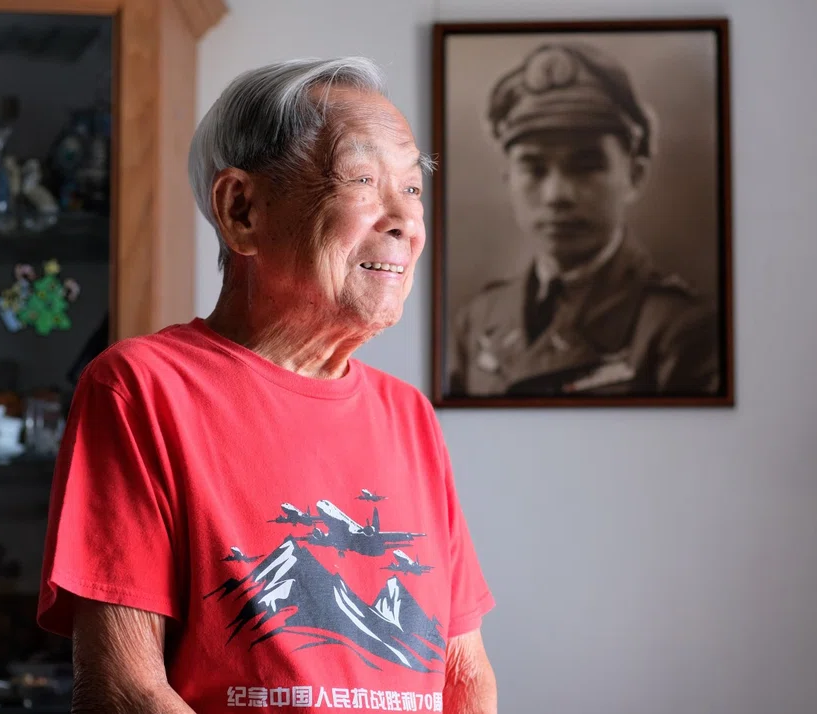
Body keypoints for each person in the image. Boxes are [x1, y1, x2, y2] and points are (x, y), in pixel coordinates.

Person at [36, 58, 496, 713]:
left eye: (413, 188)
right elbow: (125, 689)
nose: (406, 221)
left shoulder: (408, 415)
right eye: (365, 179)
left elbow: (465, 676)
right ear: (242, 210)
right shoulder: (142, 390)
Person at [447, 42, 720, 398]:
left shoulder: (682, 329)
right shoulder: (478, 321)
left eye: (586, 166)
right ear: (508, 181)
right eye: (534, 168)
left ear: (635, 175)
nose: (557, 194)